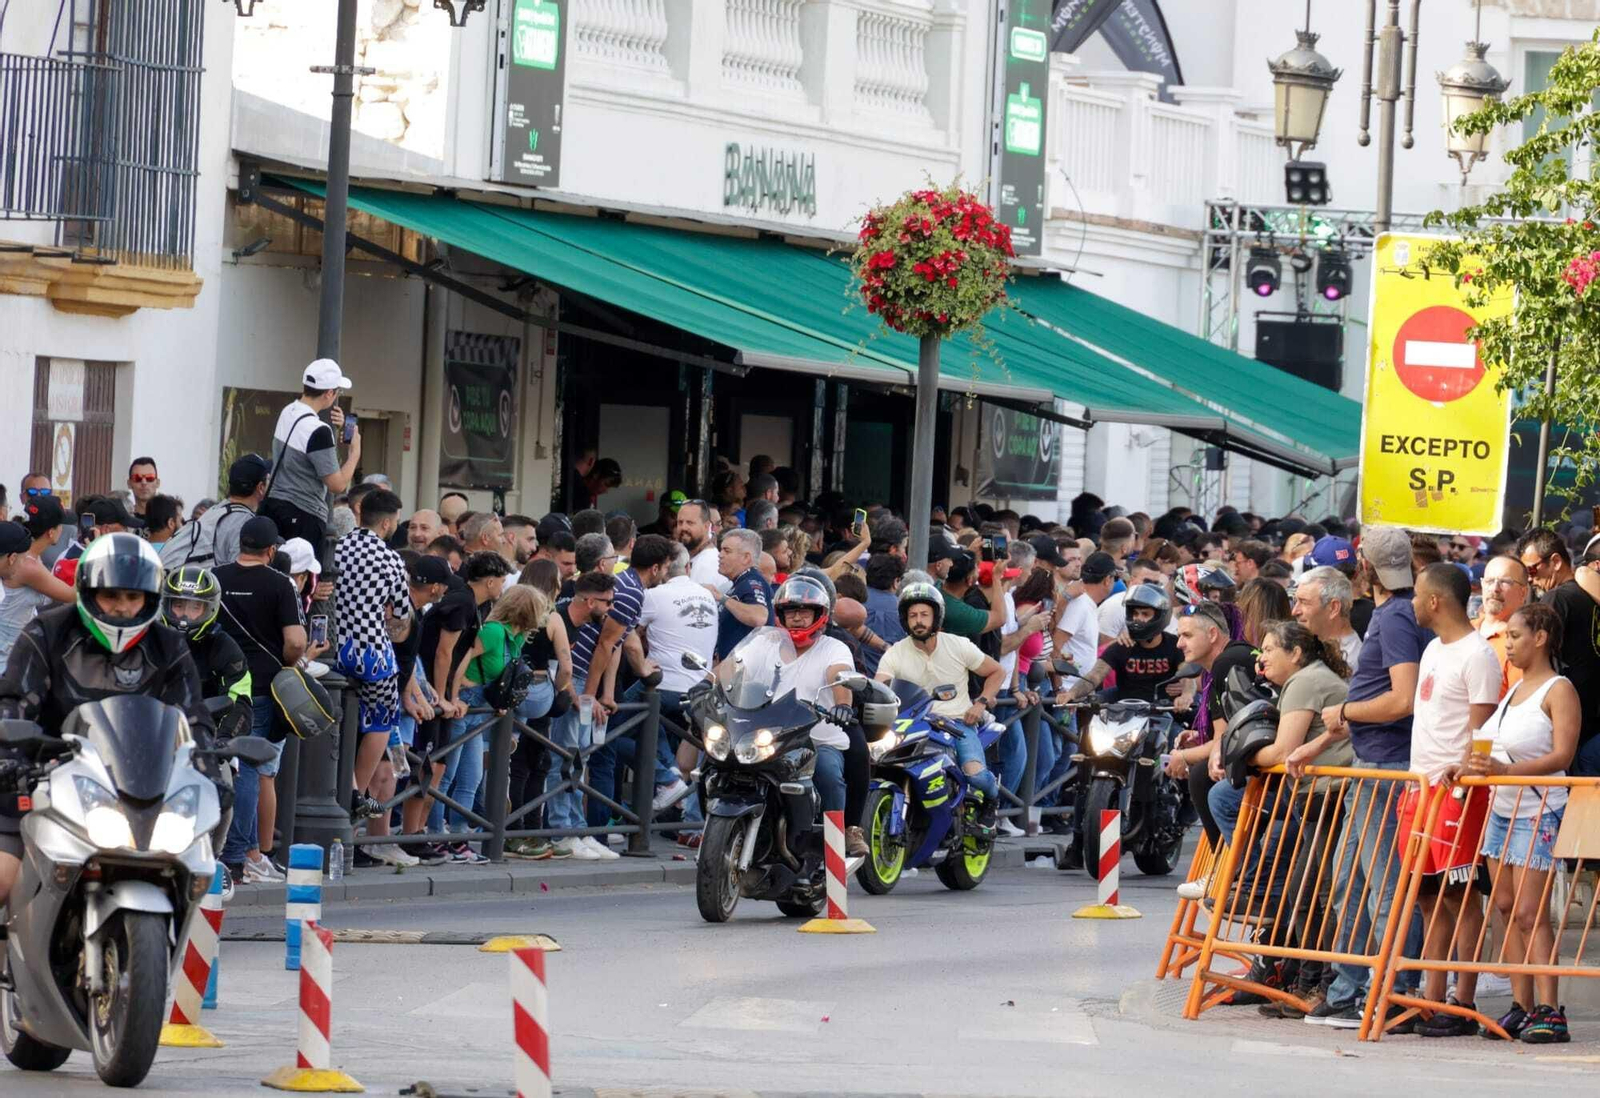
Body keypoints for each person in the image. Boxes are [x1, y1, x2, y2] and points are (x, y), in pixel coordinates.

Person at [0, 534, 220, 911]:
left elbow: (192, 715)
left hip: (139, 791)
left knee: (196, 877)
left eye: (133, 597)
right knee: (3, 881)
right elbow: (13, 704)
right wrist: (11, 757)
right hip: (44, 784)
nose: (122, 608)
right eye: (111, 596)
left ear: (149, 598)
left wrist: (208, 767)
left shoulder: (167, 645)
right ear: (88, 592)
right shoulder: (48, 633)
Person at [1289, 524, 1432, 1029]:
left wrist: (1346, 715)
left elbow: (1401, 698)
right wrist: (1325, 737)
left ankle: (1392, 990)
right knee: (1350, 881)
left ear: (1366, 568)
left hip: (1386, 767)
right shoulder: (1392, 615)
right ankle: (1350, 987)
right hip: (1371, 766)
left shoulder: (1394, 619)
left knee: (1385, 886)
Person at [1458, 602, 1579, 1044]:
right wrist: (1468, 766)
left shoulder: (1558, 688)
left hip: (1539, 810)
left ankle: (1550, 1007)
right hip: (1503, 809)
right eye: (1507, 636)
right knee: (1506, 910)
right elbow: (1487, 742)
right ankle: (1522, 1004)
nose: (1507, 643)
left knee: (1531, 913)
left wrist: (1501, 772)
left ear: (1541, 637)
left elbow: (1562, 756)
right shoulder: (1513, 690)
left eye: (1515, 635)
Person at [1400, 562, 1502, 1038]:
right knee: (1425, 898)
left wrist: (1462, 782)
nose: (1413, 603)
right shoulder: (1433, 651)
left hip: (1456, 795)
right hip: (1419, 789)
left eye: (1418, 595)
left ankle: (1462, 1000)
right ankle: (1431, 998)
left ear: (1437, 600)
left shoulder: (1477, 655)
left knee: (1460, 899)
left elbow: (1483, 735)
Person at [214, 516, 307, 885]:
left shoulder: (216, 577)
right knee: (251, 768)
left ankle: (231, 850)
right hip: (262, 686)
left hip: (219, 683)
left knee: (217, 763)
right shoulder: (281, 583)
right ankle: (240, 855)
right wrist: (285, 663)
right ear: (271, 551)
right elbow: (297, 641)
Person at [875, 581, 1005, 830]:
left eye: (924, 614)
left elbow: (996, 671)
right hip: (912, 725)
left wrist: (980, 703)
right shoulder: (895, 653)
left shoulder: (958, 644)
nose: (918, 620)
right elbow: (880, 686)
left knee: (974, 773)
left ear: (936, 616)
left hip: (957, 723)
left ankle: (991, 798)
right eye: (912, 615)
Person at [761, 576, 868, 856]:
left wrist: (842, 704)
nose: (796, 618)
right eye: (790, 611)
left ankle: (839, 836)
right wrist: (707, 686)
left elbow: (841, 677)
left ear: (819, 615)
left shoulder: (834, 647)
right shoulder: (767, 645)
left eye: (804, 611)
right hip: (766, 739)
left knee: (830, 776)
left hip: (816, 739)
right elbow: (735, 668)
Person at [333, 488, 410, 837]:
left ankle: (346, 787)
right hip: (372, 652)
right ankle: (357, 794)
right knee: (381, 721)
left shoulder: (339, 547)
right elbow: (402, 612)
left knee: (336, 720)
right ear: (387, 522)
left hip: (337, 648)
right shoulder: (391, 559)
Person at [543, 570, 619, 860]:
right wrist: (577, 696)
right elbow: (557, 668)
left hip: (579, 687)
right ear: (590, 601)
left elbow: (612, 649)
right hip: (563, 690)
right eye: (607, 602)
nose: (610, 608)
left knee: (579, 760)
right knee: (565, 759)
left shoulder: (587, 621)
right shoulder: (559, 618)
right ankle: (562, 831)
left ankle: (577, 829)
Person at [1516, 530, 1600, 776]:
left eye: (1532, 570)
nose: (1530, 579)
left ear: (1555, 562)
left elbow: (1532, 658)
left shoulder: (1557, 598)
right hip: (1586, 724)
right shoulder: (1589, 595)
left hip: (1562, 728)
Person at [260, 359, 361, 547]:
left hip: (275, 506)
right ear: (329, 393)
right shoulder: (319, 430)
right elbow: (336, 485)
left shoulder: (288, 412)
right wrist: (355, 452)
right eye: (338, 391)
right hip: (304, 514)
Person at [1062, 584, 1183, 704]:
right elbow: (1095, 676)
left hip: (1165, 712)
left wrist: (1187, 694)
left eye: (1145, 614)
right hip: (1126, 713)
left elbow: (1188, 676)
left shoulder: (1175, 645)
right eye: (1135, 613)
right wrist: (1072, 693)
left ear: (1160, 616)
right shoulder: (1122, 645)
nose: (1138, 619)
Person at [161, 453, 271, 570]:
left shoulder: (216, 511)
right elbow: (239, 575)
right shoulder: (244, 521)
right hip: (191, 584)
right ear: (260, 487)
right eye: (268, 479)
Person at [160, 565, 252, 705]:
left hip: (205, 724)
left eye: (194, 607)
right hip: (155, 724)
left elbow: (239, 701)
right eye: (179, 606)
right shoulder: (150, 640)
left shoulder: (223, 647)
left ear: (210, 609)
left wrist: (225, 725)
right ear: (167, 605)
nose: (185, 614)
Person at [0, 501, 75, 664]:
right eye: (60, 525)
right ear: (51, 532)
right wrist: (91, 555)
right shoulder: (28, 565)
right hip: (5, 656)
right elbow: (72, 596)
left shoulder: (29, 557)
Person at [1475, 555, 1531, 698]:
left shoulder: (1522, 644)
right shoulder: (1465, 629)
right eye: (1489, 581)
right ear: (1482, 585)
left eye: (1505, 582)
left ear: (1523, 592)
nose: (1495, 588)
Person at [714, 528, 773, 660]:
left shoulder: (752, 581)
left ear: (746, 558)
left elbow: (758, 617)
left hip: (746, 674)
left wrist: (722, 598)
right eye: (721, 549)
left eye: (726, 551)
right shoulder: (740, 583)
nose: (720, 554)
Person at [1293, 565, 1363, 672]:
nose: (1294, 611)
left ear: (1334, 608)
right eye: (1295, 601)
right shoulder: (1316, 646)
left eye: (1304, 602)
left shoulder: (1352, 663)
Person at [678, 500, 729, 596]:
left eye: (690, 523)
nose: (683, 527)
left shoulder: (710, 563)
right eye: (680, 522)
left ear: (706, 526)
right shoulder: (685, 557)